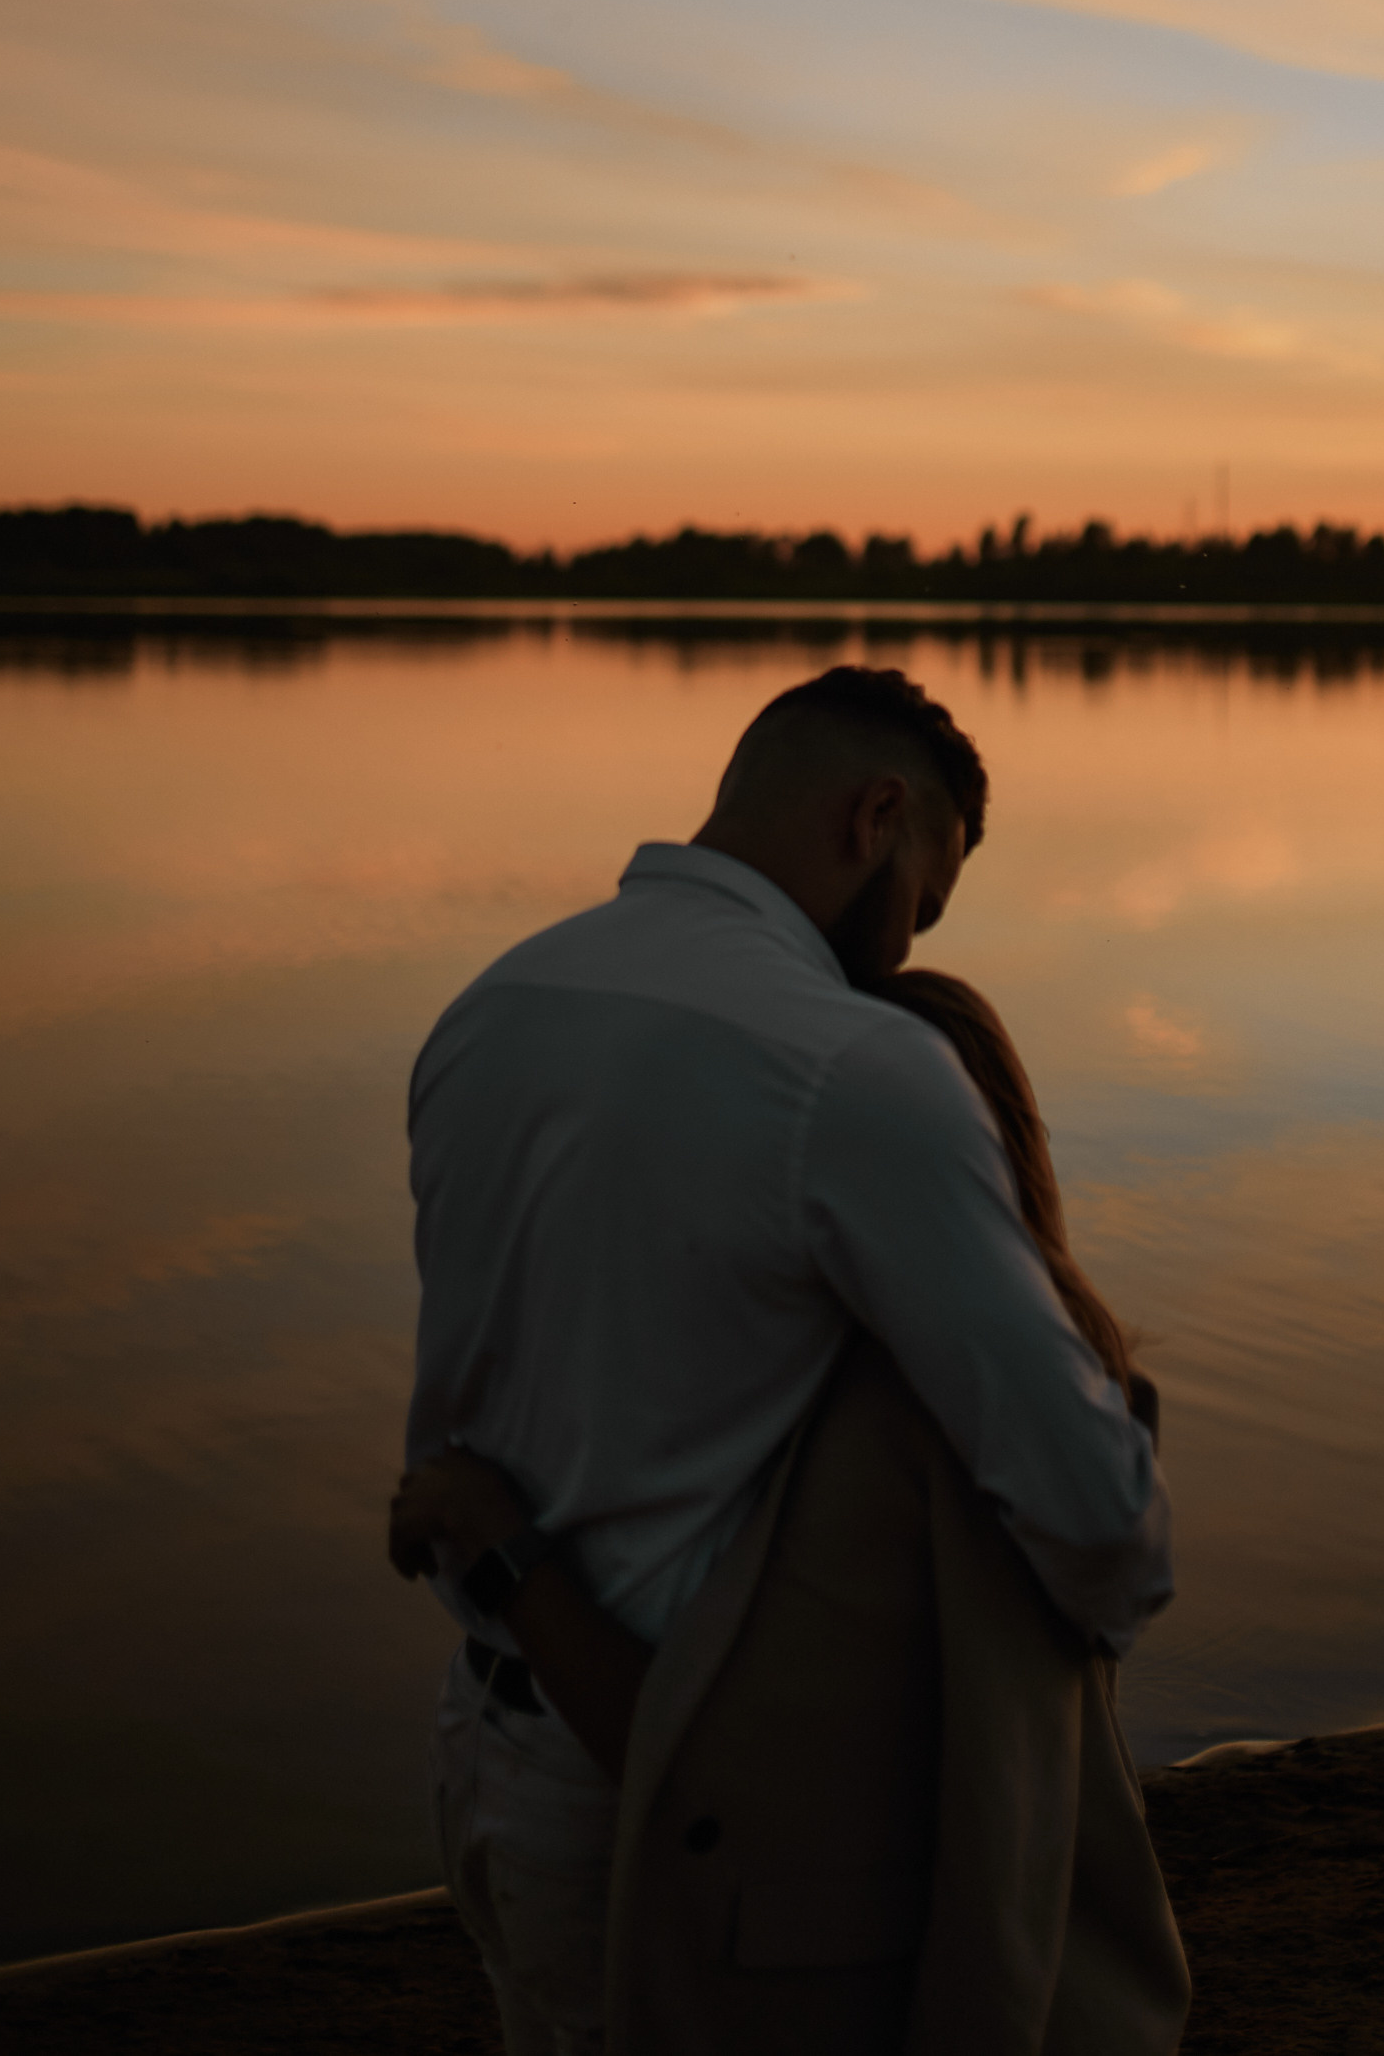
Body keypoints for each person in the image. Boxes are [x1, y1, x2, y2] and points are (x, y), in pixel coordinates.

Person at [397, 666, 1179, 2053]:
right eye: (919, 905)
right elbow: (1092, 1511)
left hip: (486, 1753)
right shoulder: (848, 1066)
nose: (898, 956)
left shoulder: (489, 1008)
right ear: (878, 818)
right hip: (693, 1801)